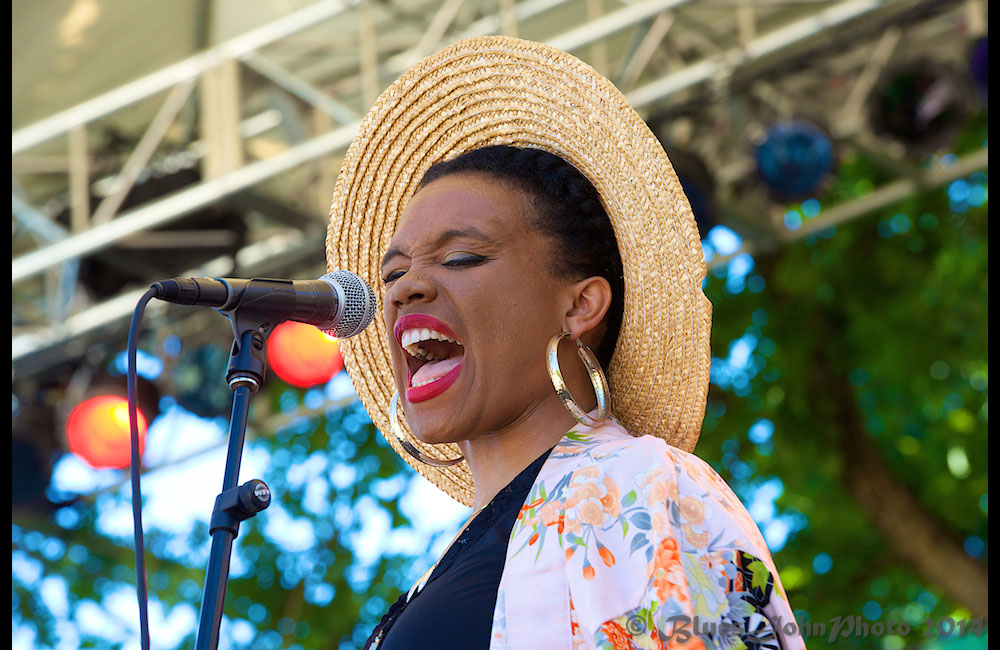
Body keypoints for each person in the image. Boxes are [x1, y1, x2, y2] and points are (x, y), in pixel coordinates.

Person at [327, 36, 805, 650]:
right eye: (392, 274)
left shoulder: (643, 487)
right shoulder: (443, 564)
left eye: (462, 257)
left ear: (581, 306)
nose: (404, 289)